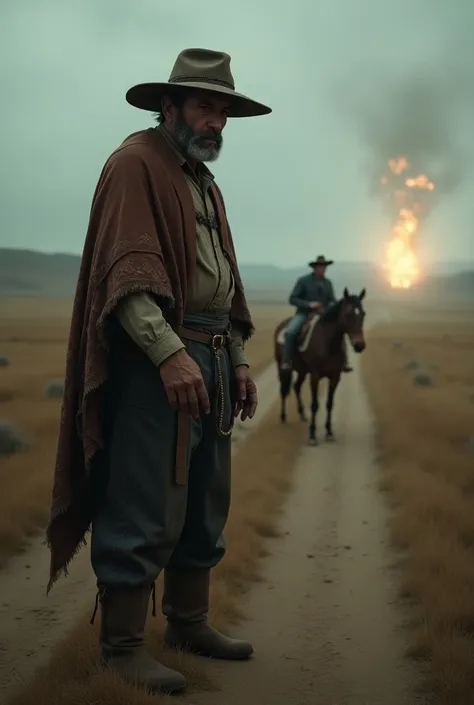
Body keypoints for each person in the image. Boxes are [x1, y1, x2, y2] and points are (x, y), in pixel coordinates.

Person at [45, 48, 272, 695]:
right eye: (204, 105)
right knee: (146, 497)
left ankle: (188, 622)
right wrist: (170, 352)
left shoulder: (200, 178)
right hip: (156, 359)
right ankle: (120, 647)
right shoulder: (135, 165)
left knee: (205, 497)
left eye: (223, 109)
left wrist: (240, 357)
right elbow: (129, 274)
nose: (216, 121)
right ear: (166, 106)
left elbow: (219, 282)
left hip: (212, 351)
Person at [280, 255, 352, 371]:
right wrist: (309, 304)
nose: (323, 269)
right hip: (304, 314)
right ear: (314, 268)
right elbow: (292, 299)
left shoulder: (328, 283)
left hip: (324, 314)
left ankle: (344, 362)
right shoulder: (303, 281)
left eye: (324, 267)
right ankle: (286, 361)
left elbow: (331, 299)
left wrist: (334, 306)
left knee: (339, 331)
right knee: (290, 332)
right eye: (320, 267)